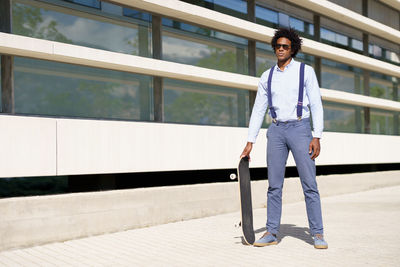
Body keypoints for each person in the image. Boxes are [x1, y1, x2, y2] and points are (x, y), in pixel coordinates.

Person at [240, 28, 328, 249]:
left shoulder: (305, 72)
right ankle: (271, 231)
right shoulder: (266, 76)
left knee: (309, 184)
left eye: (285, 46)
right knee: (274, 186)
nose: (280, 49)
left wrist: (317, 135)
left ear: (293, 49)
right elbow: (258, 110)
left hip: (300, 128)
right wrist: (250, 141)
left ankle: (317, 234)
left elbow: (316, 104)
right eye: (278, 46)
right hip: (276, 130)